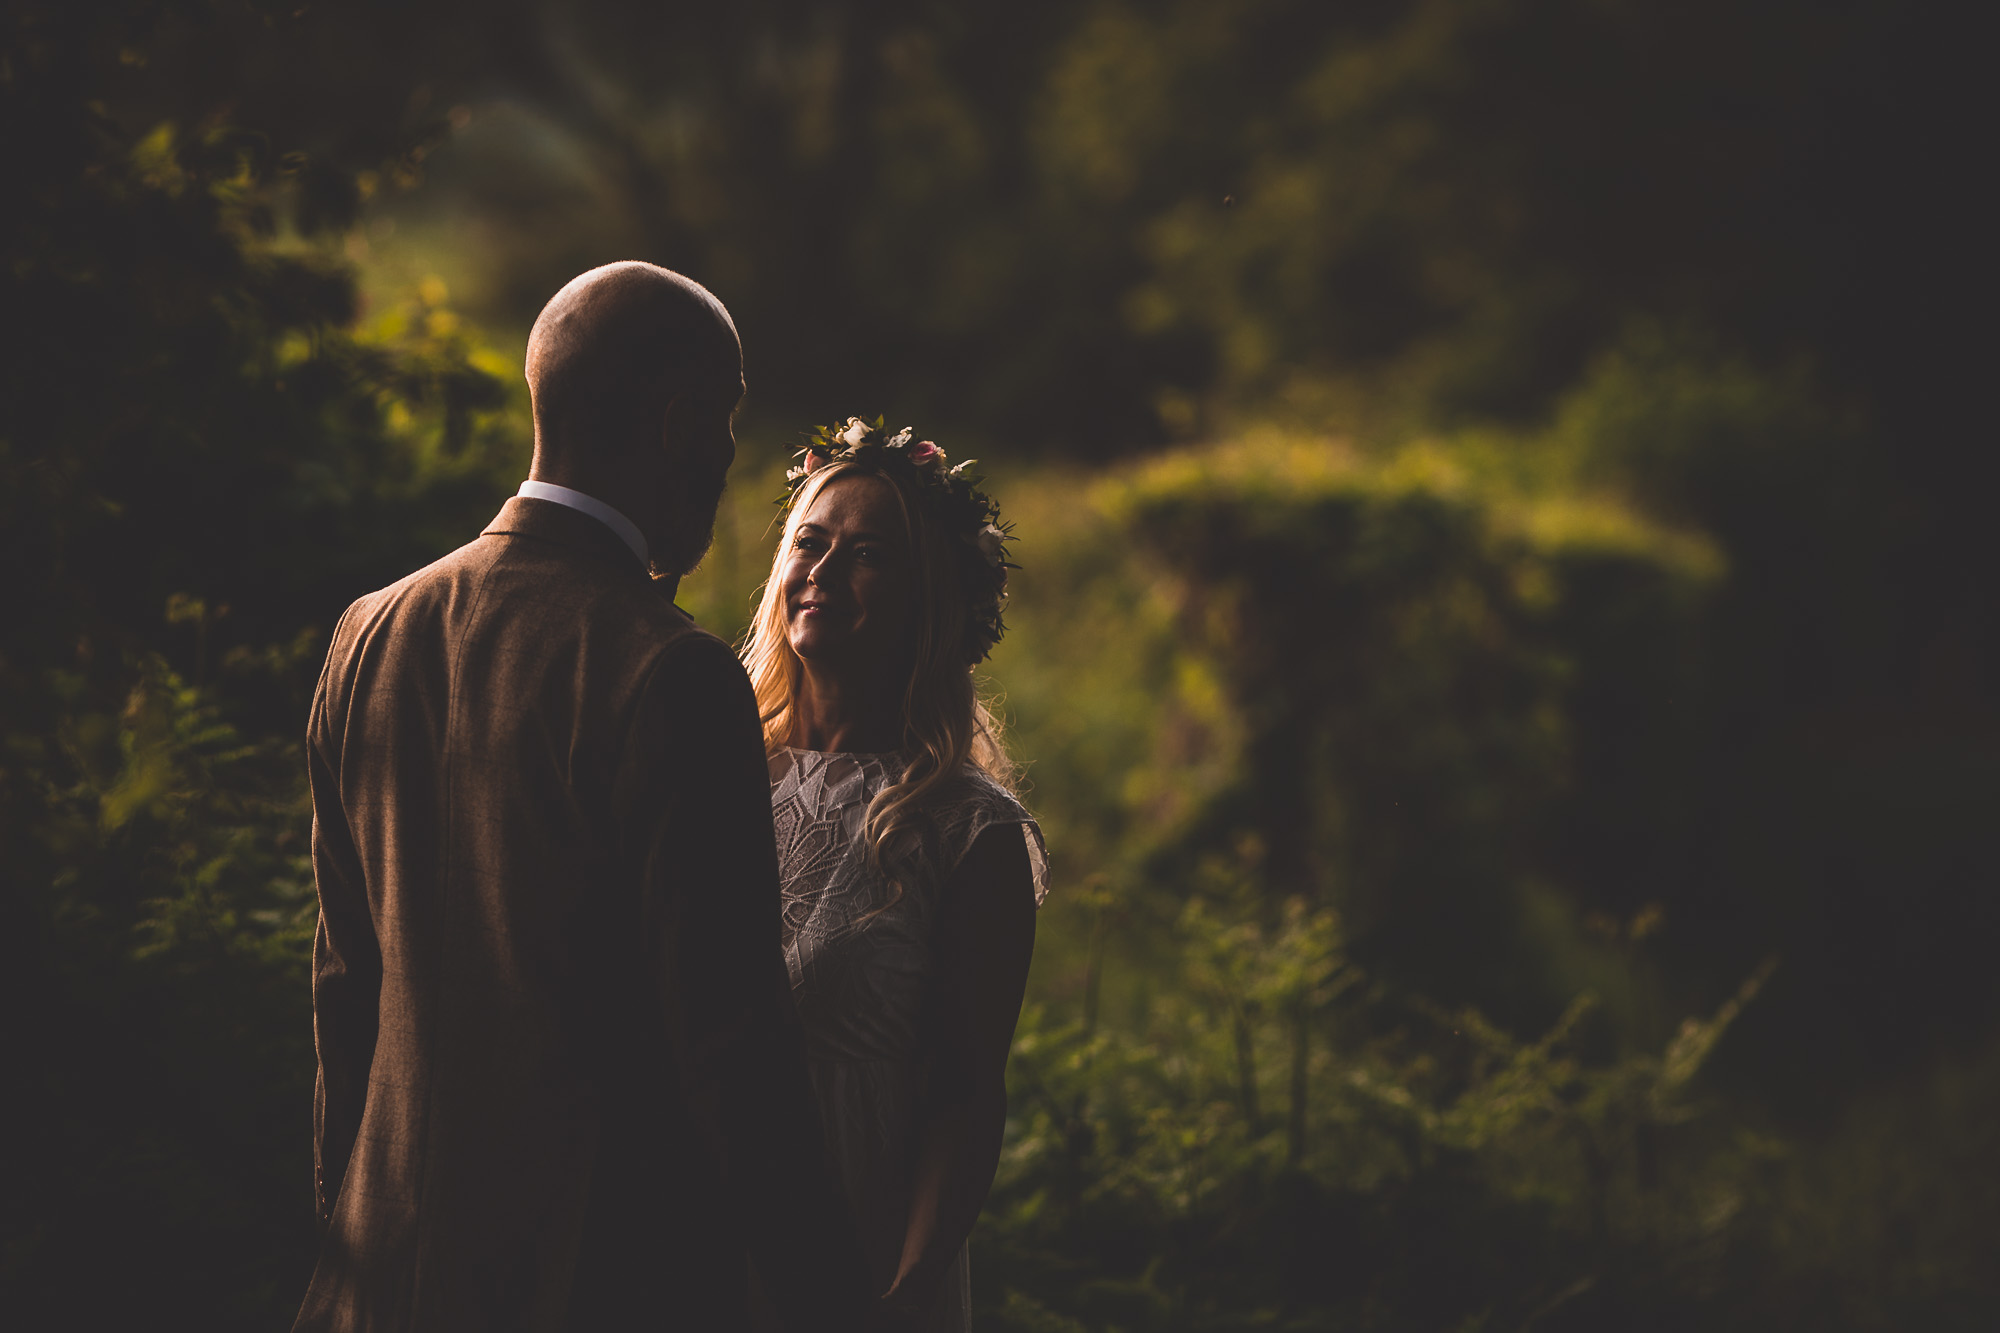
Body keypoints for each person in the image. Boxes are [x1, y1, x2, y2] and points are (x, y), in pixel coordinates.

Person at [295, 263, 870, 1332]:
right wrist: (829, 1302)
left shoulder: (368, 631)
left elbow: (346, 981)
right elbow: (730, 1045)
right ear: (675, 421)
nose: (728, 454)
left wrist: (352, 1228)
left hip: (375, 1276)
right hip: (595, 1277)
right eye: (726, 417)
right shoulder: (668, 673)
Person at [739, 418, 1049, 1331]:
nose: (823, 573)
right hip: (691, 1217)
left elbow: (965, 1088)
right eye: (810, 541)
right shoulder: (710, 763)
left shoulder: (967, 829)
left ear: (928, 600)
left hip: (855, 1241)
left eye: (866, 553)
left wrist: (909, 1281)